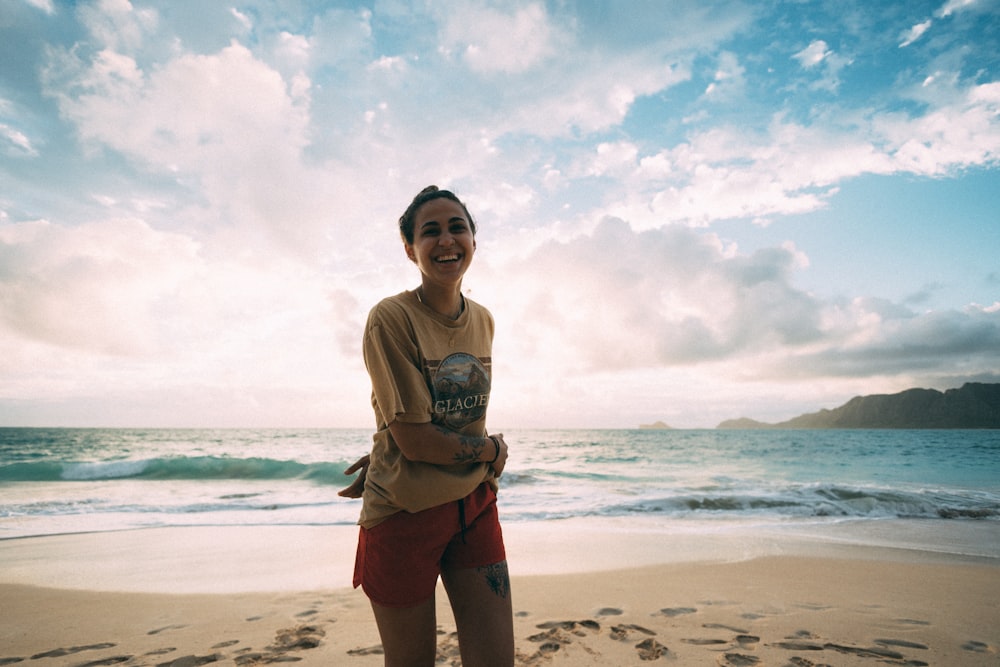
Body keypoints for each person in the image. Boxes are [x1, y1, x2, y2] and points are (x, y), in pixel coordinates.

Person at [338, 185, 514, 667]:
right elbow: (415, 440)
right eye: (429, 231)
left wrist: (396, 446)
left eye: (457, 227)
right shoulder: (390, 318)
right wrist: (490, 452)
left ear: (474, 239)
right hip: (403, 516)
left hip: (474, 506)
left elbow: (446, 416)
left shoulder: (483, 320)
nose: (446, 240)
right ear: (410, 248)